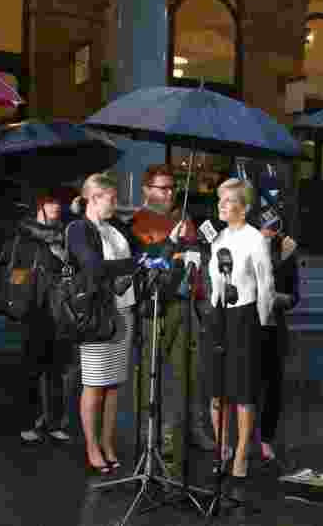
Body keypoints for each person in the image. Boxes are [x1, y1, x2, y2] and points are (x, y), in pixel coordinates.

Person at [129, 164, 216, 475]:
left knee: (187, 373)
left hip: (186, 302)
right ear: (146, 190)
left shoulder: (183, 218)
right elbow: (150, 258)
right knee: (152, 373)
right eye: (161, 188)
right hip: (156, 306)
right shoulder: (139, 222)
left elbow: (198, 255)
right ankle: (150, 436)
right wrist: (174, 243)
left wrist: (196, 248)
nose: (168, 194)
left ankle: (186, 432)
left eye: (171, 188)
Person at [67, 173, 155, 475]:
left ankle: (108, 443)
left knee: (114, 385)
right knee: (94, 384)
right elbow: (92, 268)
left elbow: (132, 259)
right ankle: (92, 446)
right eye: (111, 198)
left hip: (123, 309)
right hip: (97, 314)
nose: (116, 204)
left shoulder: (114, 229)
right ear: (94, 198)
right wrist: (133, 265)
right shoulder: (79, 228)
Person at [206, 178, 275, 478]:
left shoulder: (255, 239)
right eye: (220, 200)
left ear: (244, 208)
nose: (222, 205)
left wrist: (260, 322)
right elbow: (214, 280)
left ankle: (242, 453)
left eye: (229, 200)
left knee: (243, 392)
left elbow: (266, 285)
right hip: (218, 316)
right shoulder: (218, 238)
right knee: (216, 390)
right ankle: (222, 449)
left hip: (246, 317)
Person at [11, 190, 79, 445]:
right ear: (39, 205)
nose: (56, 206)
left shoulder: (65, 233)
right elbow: (18, 270)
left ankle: (53, 422)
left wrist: (65, 262)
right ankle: (27, 421)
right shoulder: (27, 233)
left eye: (57, 201)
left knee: (56, 368)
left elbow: (72, 268)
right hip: (35, 307)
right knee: (31, 367)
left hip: (59, 307)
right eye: (50, 202)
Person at [256, 214, 300, 470]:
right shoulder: (247, 246)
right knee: (244, 386)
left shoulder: (287, 251)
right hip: (247, 325)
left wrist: (279, 300)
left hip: (273, 326)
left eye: (273, 228)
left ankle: (266, 438)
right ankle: (235, 441)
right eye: (264, 227)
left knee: (273, 386)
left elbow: (295, 296)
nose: (268, 232)